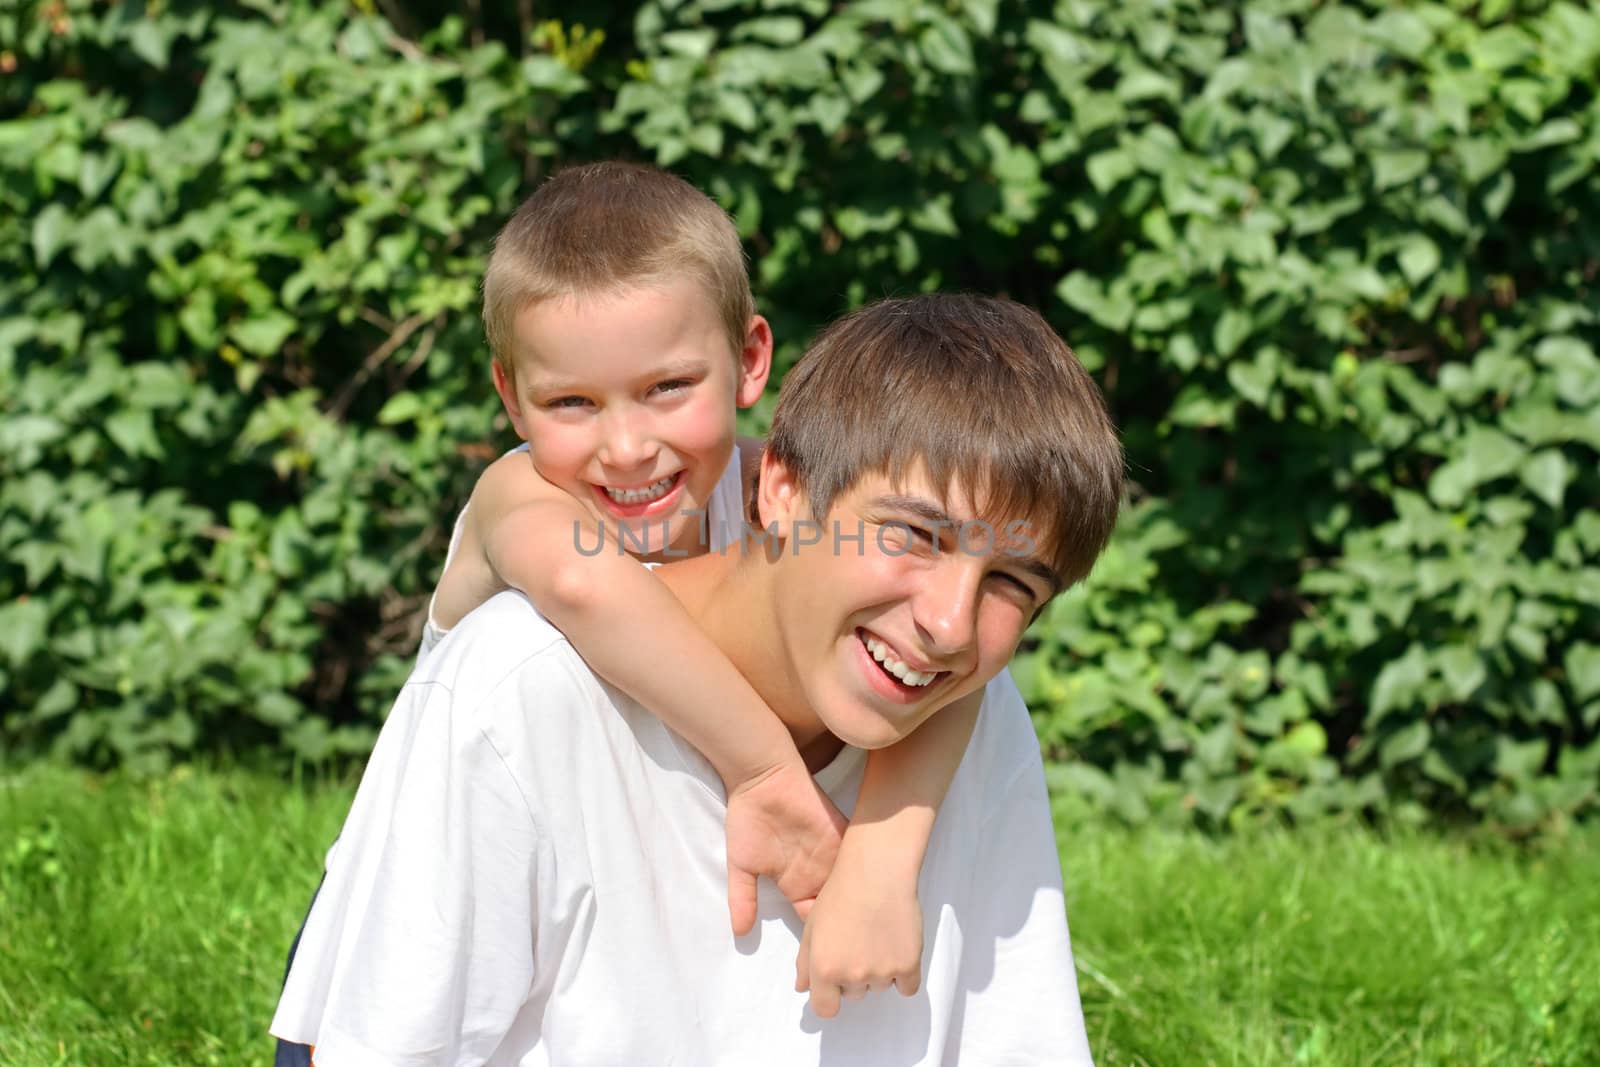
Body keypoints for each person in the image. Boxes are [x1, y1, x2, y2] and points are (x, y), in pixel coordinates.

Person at [271, 292, 1122, 1065]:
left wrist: (886, 848)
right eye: (911, 535)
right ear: (781, 491)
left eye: (1013, 583)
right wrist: (765, 771)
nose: (948, 623)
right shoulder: (523, 679)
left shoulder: (968, 701)